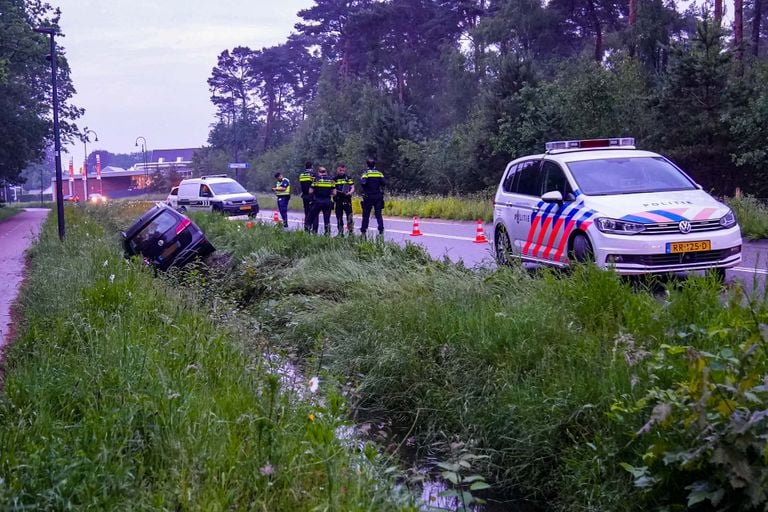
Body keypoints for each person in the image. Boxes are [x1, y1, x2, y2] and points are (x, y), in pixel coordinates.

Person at [359, 158, 385, 237]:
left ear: (367, 164)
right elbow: (384, 183)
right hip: (378, 196)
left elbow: (363, 183)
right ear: (374, 164)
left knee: (366, 214)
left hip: (368, 196)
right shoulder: (379, 173)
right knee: (378, 214)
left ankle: (363, 230)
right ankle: (381, 229)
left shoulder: (366, 173)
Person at [308, 167, 336, 235]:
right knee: (327, 219)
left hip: (318, 201)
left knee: (314, 217)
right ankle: (327, 233)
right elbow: (334, 193)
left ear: (319, 172)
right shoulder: (331, 180)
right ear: (326, 172)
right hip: (327, 201)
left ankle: (312, 232)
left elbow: (310, 191)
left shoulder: (316, 180)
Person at [333, 163, 355, 235]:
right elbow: (332, 189)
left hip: (347, 199)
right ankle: (340, 233)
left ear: (345, 170)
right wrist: (334, 192)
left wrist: (350, 192)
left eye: (343, 170)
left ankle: (351, 233)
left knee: (349, 217)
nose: (341, 171)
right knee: (339, 217)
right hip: (338, 200)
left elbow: (352, 187)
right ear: (337, 170)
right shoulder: (334, 179)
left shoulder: (348, 178)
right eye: (340, 170)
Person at [299, 161, 316, 232]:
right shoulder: (313, 174)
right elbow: (315, 184)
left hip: (305, 195)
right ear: (311, 166)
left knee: (306, 212)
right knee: (314, 212)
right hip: (313, 196)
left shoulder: (301, 175)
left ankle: (306, 228)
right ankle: (314, 229)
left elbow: (302, 184)